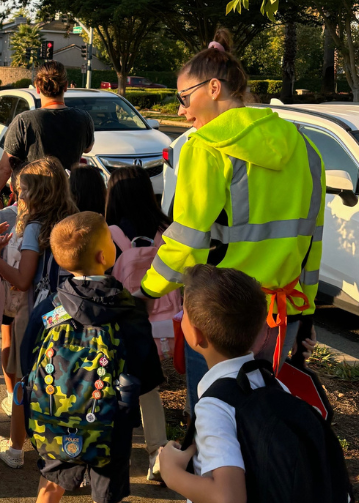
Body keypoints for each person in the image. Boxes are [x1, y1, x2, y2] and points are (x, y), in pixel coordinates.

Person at [139, 29, 324, 411]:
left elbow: (188, 238)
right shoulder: (305, 147)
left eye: (183, 97)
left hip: (219, 311)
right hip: (279, 312)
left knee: (213, 420)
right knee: (261, 419)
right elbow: (312, 240)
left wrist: (147, 291)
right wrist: (304, 314)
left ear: (212, 88)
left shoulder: (204, 148)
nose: (179, 110)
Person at [0, 212, 163, 503]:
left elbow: (27, 360)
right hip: (111, 429)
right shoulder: (129, 311)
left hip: (58, 424)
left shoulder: (49, 308)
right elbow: (149, 375)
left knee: (48, 492)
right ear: (106, 256)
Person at [158, 265, 264, 503]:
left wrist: (171, 472)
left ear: (195, 336)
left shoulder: (215, 405)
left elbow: (229, 499)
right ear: (261, 334)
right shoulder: (268, 383)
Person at [0, 156, 78, 468]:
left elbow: (23, 279)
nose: (19, 195)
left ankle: (15, 448)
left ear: (38, 193)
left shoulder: (35, 227)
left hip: (39, 314)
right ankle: (68, 451)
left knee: (27, 380)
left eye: (23, 190)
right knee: (64, 379)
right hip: (70, 311)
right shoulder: (74, 220)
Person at [105, 166, 178, 482]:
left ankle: (105, 447)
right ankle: (157, 453)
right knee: (149, 387)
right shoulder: (167, 230)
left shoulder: (109, 232)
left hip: (121, 324)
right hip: (163, 325)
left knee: (107, 385)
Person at [0, 61, 94, 194]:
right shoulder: (84, 118)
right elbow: (88, 148)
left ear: (37, 87)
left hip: (33, 200)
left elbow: (4, 170)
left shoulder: (23, 121)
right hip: (69, 198)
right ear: (66, 86)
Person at [0, 158, 27, 417]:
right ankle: (18, 395)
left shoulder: (2, 216)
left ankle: (10, 393)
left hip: (7, 290)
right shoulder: (47, 217)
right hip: (31, 293)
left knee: (7, 340)